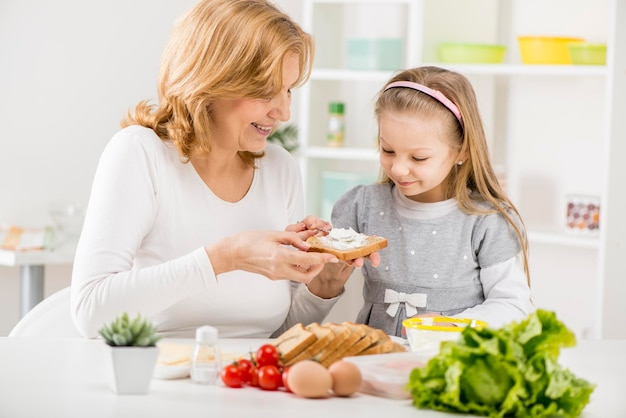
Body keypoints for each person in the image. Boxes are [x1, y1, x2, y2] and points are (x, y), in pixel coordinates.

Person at [70, 0, 348, 339]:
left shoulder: (280, 169)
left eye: (287, 90)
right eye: (265, 92)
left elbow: (277, 332)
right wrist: (225, 258)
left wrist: (324, 285)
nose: (284, 112)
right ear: (213, 81)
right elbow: (90, 312)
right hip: (155, 382)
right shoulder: (141, 153)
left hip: (250, 385)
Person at [317, 66, 534, 337]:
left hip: (450, 364)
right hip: (376, 361)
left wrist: (454, 325)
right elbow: (321, 280)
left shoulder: (485, 220)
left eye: (418, 158)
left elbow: (513, 305)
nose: (397, 169)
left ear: (462, 151)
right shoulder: (362, 206)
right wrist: (316, 257)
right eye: (388, 150)